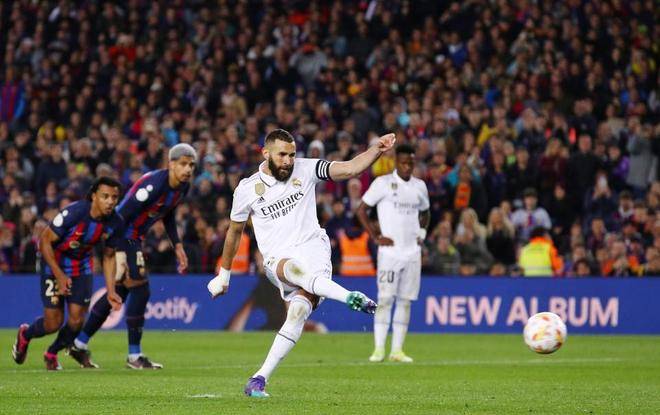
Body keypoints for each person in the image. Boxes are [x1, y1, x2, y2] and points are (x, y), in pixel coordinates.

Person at [207, 129, 395, 398]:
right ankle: (349, 297)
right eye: (282, 155)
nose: (288, 161)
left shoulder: (307, 169)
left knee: (296, 313)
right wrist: (224, 275)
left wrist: (376, 149)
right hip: (278, 258)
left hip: (314, 250)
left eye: (292, 154)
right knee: (293, 270)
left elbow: (350, 168)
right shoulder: (247, 189)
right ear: (266, 153)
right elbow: (234, 232)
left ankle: (258, 379)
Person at [70, 144, 196, 369]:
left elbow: (167, 214)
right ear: (171, 164)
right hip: (123, 236)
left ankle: (79, 344)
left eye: (191, 165)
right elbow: (122, 214)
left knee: (119, 292)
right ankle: (134, 356)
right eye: (183, 164)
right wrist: (114, 250)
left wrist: (177, 245)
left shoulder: (182, 187)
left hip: (134, 238)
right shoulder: (153, 185)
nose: (188, 169)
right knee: (141, 289)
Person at [12, 177, 122, 370]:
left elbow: (109, 256)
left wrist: (111, 290)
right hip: (53, 265)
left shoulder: (115, 221)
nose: (110, 201)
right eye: (105, 196)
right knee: (53, 323)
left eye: (114, 197)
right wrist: (60, 275)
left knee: (77, 320)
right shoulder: (74, 213)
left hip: (82, 267)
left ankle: (52, 353)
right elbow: (44, 241)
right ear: (94, 196)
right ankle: (25, 334)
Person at [356, 144, 430, 363]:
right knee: (385, 299)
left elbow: (426, 212)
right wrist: (375, 236)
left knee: (405, 301)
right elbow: (361, 210)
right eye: (404, 162)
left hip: (412, 252)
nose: (407, 167)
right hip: (390, 253)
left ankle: (397, 350)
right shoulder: (383, 183)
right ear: (396, 162)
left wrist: (422, 233)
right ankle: (379, 349)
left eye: (411, 163)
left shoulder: (419, 186)